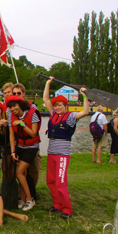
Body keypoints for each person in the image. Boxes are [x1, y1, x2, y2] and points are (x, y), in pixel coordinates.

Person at [43, 77, 89, 219]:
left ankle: (67, 209)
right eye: (55, 105)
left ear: (65, 106)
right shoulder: (53, 114)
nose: (57, 107)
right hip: (51, 152)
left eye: (60, 105)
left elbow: (85, 112)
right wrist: (48, 83)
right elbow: (45, 99)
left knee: (61, 182)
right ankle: (57, 204)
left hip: (63, 153)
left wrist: (85, 96)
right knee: (50, 180)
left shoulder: (71, 117)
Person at [6, 95, 40, 211]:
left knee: (19, 173)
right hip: (19, 146)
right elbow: (11, 135)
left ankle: (30, 200)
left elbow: (33, 133)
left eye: (14, 106)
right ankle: (22, 199)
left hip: (31, 147)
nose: (12, 109)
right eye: (10, 107)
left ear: (20, 105)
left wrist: (21, 124)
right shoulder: (11, 116)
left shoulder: (32, 114)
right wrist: (13, 151)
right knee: (23, 174)